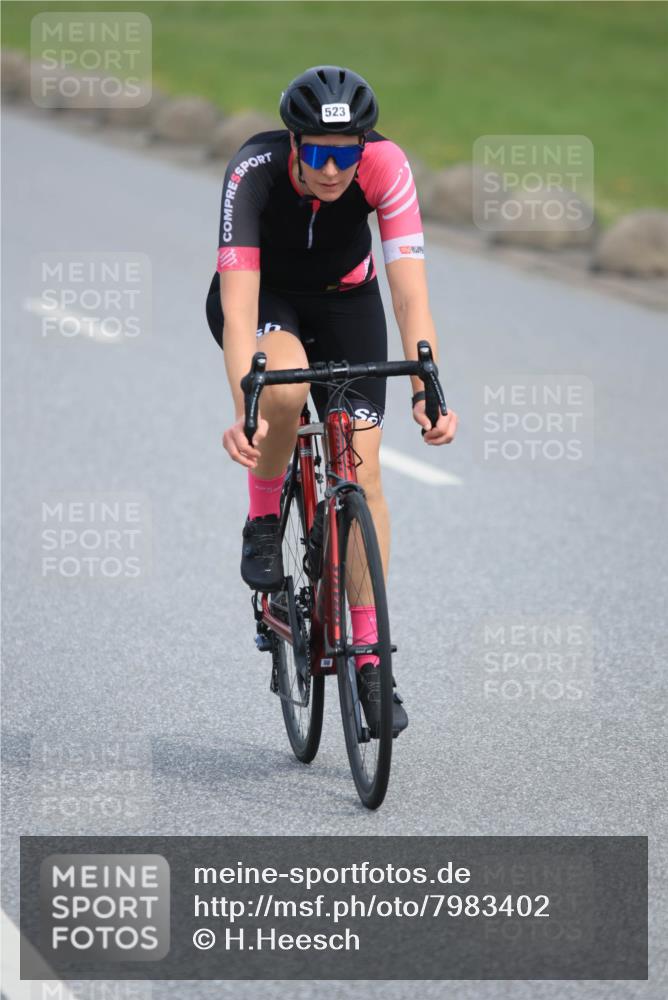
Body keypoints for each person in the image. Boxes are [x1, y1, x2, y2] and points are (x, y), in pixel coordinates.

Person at [206, 66, 458, 735]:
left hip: (348, 303)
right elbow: (236, 313)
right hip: (268, 301)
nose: (332, 169)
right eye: (317, 152)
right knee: (284, 388)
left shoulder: (387, 166)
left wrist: (426, 387)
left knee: (364, 471)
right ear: (293, 145)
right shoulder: (252, 172)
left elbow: (410, 291)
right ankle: (264, 517)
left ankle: (373, 657)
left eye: (345, 155)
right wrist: (247, 408)